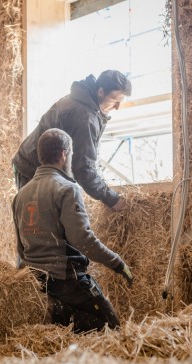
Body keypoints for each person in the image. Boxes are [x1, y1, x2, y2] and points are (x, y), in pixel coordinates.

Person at [12, 128, 134, 333]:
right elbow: (82, 239)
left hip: (36, 283)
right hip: (66, 280)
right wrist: (116, 262)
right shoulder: (67, 189)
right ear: (63, 154)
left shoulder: (21, 195)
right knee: (113, 329)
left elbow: (20, 247)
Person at [12, 70, 132, 211]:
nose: (117, 107)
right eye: (114, 100)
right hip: (32, 168)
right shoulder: (85, 116)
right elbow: (83, 169)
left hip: (39, 165)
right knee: (41, 224)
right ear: (101, 92)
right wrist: (112, 199)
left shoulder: (82, 100)